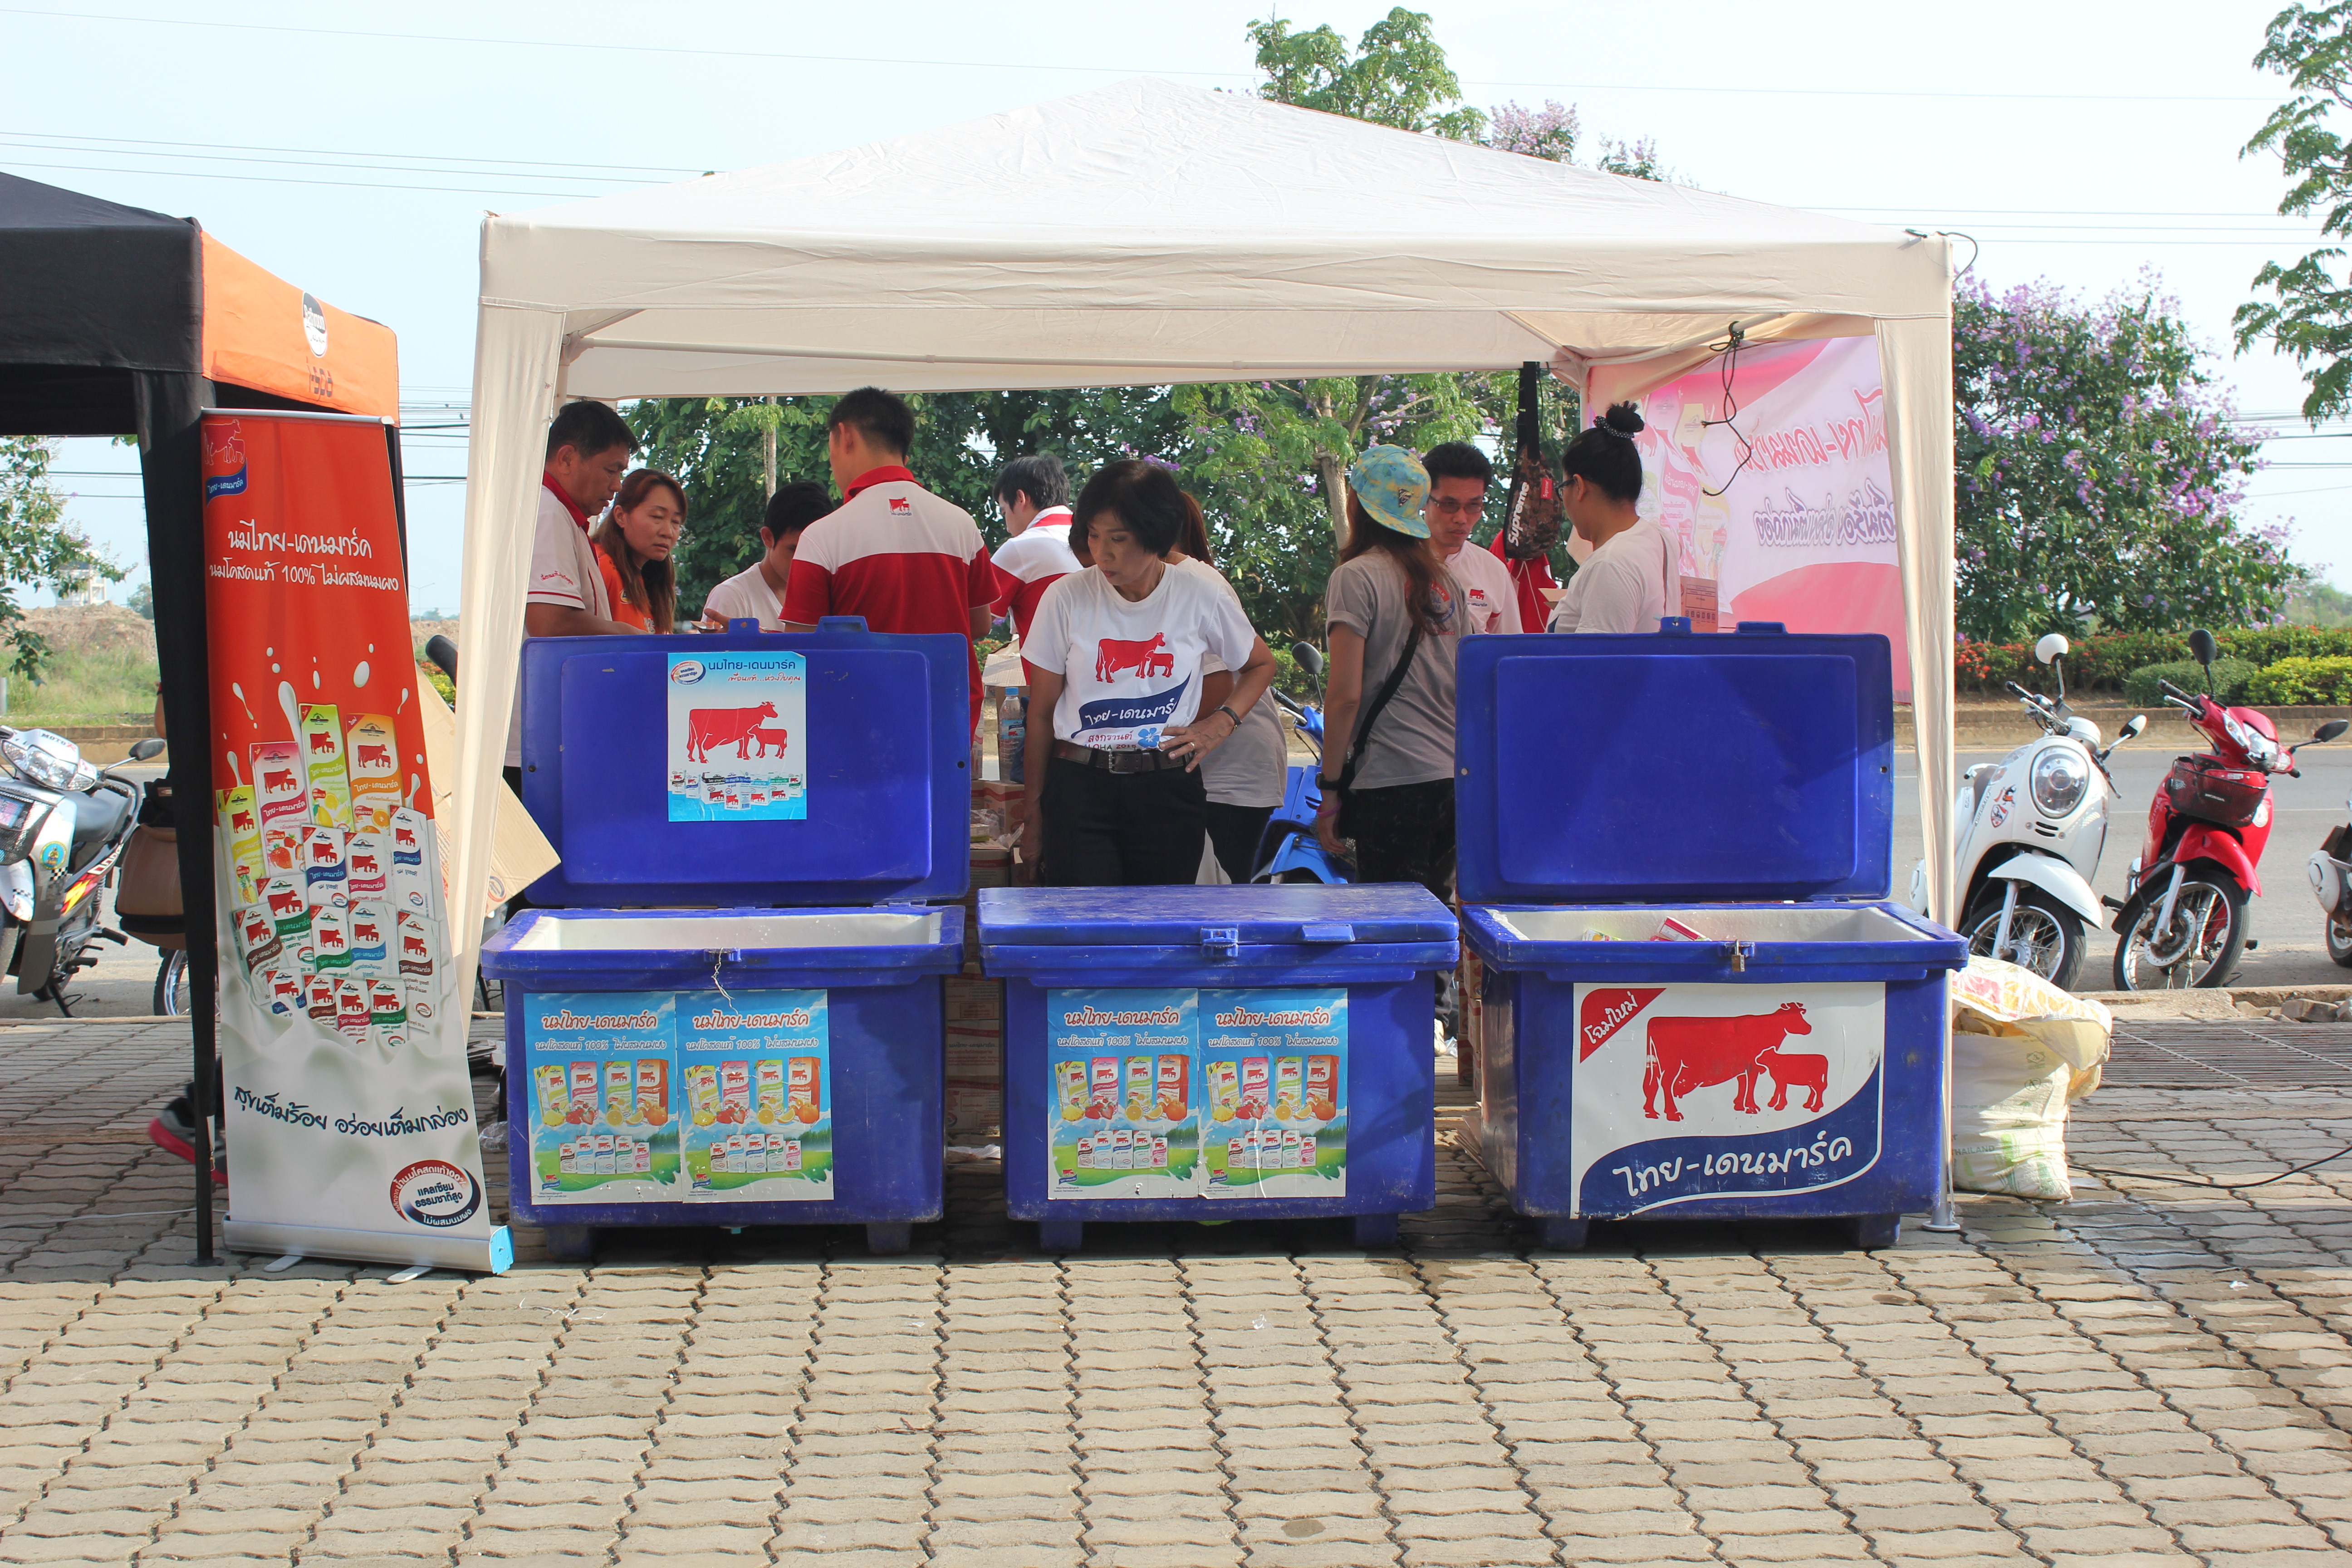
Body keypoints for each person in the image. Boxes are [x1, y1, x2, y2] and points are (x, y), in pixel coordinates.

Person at [1020, 460, 1276, 887]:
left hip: (1168, 788)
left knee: (1162, 918)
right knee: (1088, 919)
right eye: (1094, 535)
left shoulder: (1201, 592)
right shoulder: (1064, 597)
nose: (1103, 553)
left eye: (1119, 539)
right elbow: (1041, 715)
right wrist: (1034, 812)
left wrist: (1221, 724)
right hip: (1080, 788)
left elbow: (1260, 664)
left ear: (1156, 535)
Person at [782, 386, 996, 725]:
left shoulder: (822, 536)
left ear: (844, 436)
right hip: (948, 715)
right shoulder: (962, 524)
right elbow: (980, 624)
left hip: (861, 719)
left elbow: (799, 648)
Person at [1316, 446, 1466, 904]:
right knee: (1438, 921)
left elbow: (1344, 696)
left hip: (1392, 782)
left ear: (1357, 503)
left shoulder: (1356, 577)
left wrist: (1330, 790)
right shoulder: (1447, 582)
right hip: (1454, 781)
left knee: (1393, 923)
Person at [508, 401, 642, 790]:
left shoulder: (563, 517)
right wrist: (629, 636)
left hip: (547, 736)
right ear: (566, 458)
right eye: (611, 470)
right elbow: (550, 622)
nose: (617, 486)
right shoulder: (547, 513)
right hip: (531, 743)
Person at [1171, 491, 1286, 882]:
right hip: (1221, 770)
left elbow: (1217, 685)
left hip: (1232, 776)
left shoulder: (1192, 582)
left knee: (1221, 900)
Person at [1546, 403, 1679, 634]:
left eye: (1563, 488)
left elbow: (1600, 657)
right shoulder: (1659, 539)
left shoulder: (1610, 563)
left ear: (1579, 487)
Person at [702, 480, 830, 631]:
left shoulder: (827, 597)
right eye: (794, 550)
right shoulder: (732, 596)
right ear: (768, 537)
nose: (805, 562)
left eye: (815, 551)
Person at [1421, 441, 1520, 635]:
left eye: (1474, 505)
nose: (1461, 518)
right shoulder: (1391, 564)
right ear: (1423, 499)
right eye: (1449, 505)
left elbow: (1510, 645)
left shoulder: (1493, 570)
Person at [988, 454, 1081, 645]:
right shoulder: (1094, 538)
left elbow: (972, 620)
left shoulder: (1020, 547)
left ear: (1020, 498)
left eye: (1004, 512)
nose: (1008, 528)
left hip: (1051, 664)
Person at [592, 469, 686, 634]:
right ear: (621, 516)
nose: (668, 532)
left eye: (676, 522)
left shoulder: (654, 578)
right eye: (657, 517)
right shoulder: (600, 565)